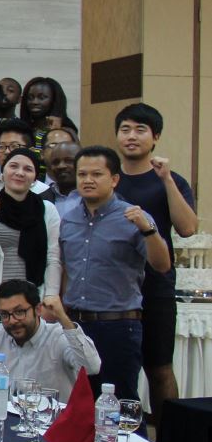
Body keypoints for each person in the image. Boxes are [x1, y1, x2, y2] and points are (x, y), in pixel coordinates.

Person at [59, 146, 170, 400]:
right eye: (82, 174)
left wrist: (148, 230)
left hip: (117, 325)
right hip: (76, 325)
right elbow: (66, 268)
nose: (88, 180)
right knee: (78, 403)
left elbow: (162, 265)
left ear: (114, 179)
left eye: (96, 174)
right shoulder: (69, 219)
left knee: (119, 402)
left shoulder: (134, 216)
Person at [113, 103, 198, 423]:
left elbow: (187, 228)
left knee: (160, 369)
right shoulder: (109, 178)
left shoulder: (170, 180)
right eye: (125, 129)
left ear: (156, 137)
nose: (131, 136)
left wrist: (167, 180)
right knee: (117, 369)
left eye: (140, 130)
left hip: (156, 286)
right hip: (114, 288)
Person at [0, 148, 63, 324]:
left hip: (34, 301)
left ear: (35, 178)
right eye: (13, 166)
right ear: (3, 172)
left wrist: (50, 297)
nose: (20, 173)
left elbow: (53, 258)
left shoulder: (47, 209)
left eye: (28, 169)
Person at [0, 280, 101, 402]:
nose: (12, 321)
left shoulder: (58, 337)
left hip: (54, 415)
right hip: (5, 412)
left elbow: (92, 367)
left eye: (19, 312)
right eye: (4, 315)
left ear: (38, 309)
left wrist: (63, 318)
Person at [19, 77, 74, 153]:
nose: (34, 102)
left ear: (54, 100)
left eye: (41, 98)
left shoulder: (66, 131)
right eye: (30, 98)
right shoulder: (23, 129)